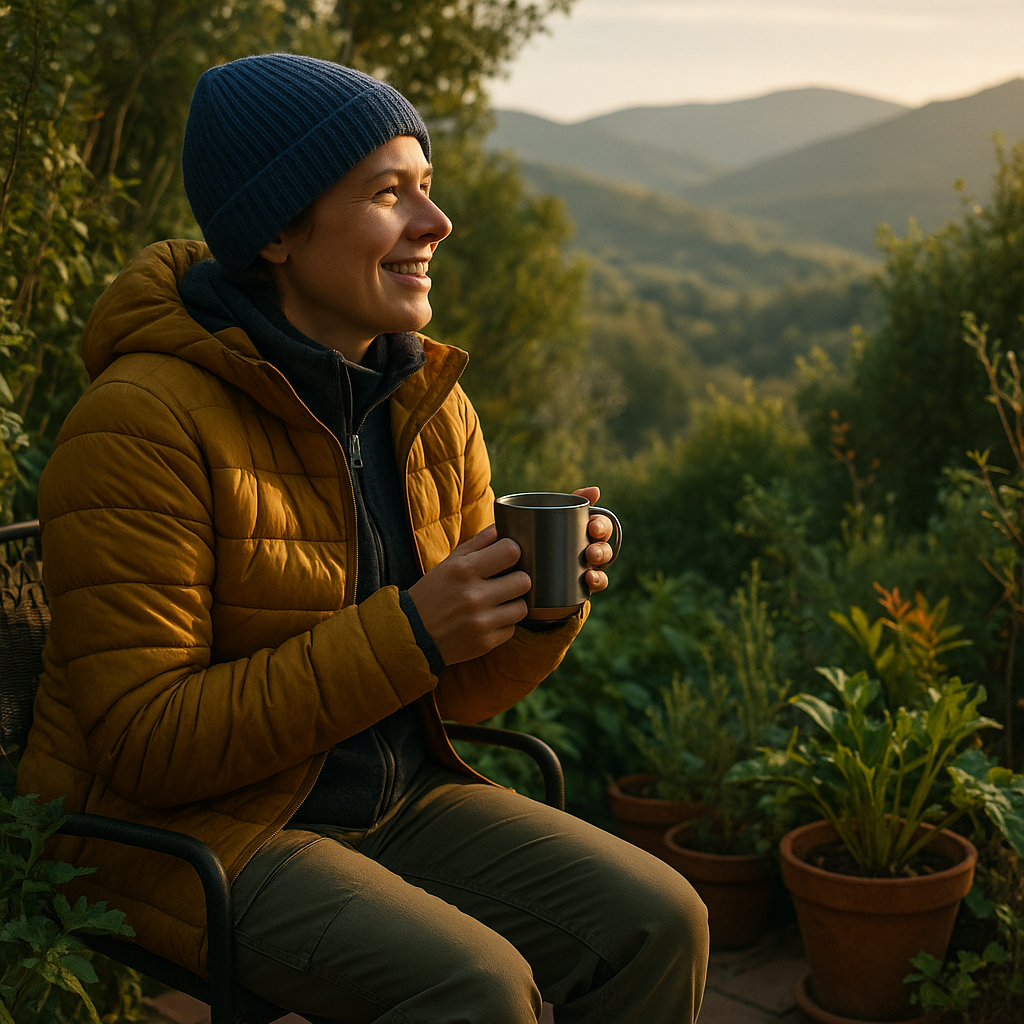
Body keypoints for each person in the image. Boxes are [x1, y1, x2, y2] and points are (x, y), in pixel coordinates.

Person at [18, 54, 708, 1023]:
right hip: (194, 835)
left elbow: (453, 689)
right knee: (478, 989)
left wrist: (535, 609)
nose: (436, 224)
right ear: (278, 234)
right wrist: (414, 629)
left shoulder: (429, 406)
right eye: (390, 193)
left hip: (391, 802)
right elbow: (144, 744)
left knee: (662, 918)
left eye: (427, 188)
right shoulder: (141, 422)